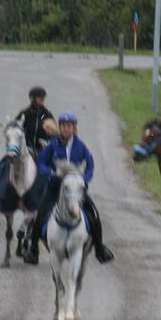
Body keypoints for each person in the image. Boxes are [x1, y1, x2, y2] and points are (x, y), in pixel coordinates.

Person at [23, 112, 114, 265]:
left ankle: (100, 249)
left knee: (95, 214)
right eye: (64, 126)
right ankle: (33, 251)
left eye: (69, 126)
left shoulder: (81, 146)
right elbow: (42, 164)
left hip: (75, 190)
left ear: (74, 128)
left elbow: (90, 164)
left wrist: (84, 179)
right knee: (40, 215)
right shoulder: (52, 145)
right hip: (55, 188)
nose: (66, 129)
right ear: (60, 127)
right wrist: (51, 173)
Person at [14, 86, 58, 151]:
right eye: (39, 97)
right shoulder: (25, 113)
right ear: (32, 98)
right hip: (26, 148)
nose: (42, 99)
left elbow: (55, 132)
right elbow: (15, 129)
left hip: (43, 148)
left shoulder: (46, 114)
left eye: (43, 97)